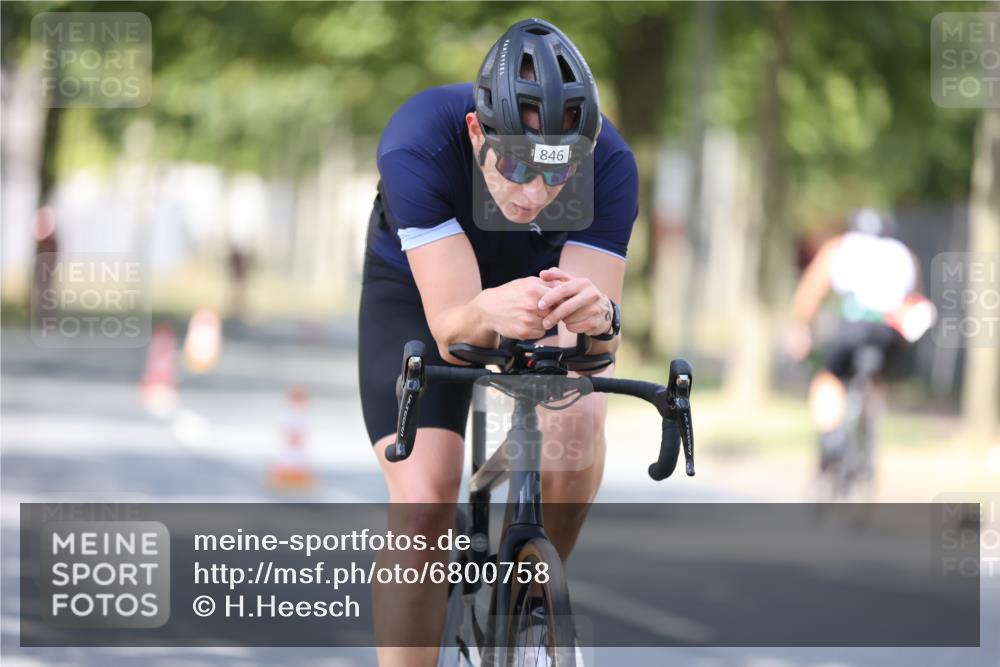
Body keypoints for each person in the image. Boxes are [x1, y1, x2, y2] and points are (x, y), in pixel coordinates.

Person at [357, 18, 636, 667]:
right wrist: (485, 309)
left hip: (537, 283)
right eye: (515, 164)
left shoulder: (608, 163)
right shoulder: (420, 142)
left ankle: (532, 601)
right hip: (422, 293)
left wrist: (601, 319)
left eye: (556, 172)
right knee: (425, 500)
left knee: (578, 421)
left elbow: (593, 354)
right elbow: (454, 334)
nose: (534, 192)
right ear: (478, 132)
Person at [788, 208, 935, 476]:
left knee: (828, 378)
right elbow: (915, 300)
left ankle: (832, 436)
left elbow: (809, 294)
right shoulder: (905, 254)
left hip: (853, 327)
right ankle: (868, 426)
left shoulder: (840, 247)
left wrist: (803, 330)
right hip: (888, 332)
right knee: (876, 376)